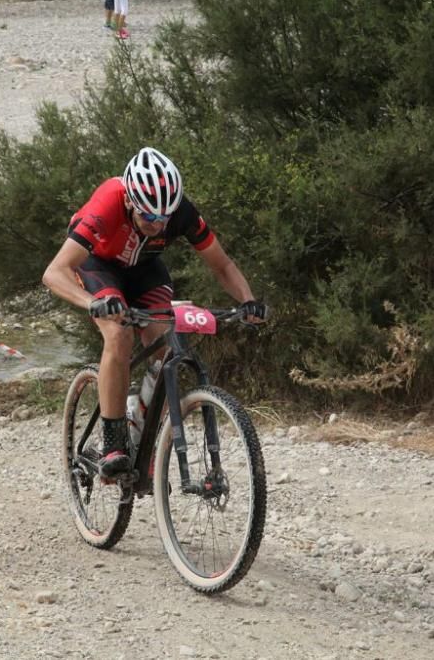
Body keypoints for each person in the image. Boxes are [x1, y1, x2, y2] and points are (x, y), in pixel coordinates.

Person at [42, 147, 267, 478]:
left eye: (164, 218)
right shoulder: (107, 203)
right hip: (99, 267)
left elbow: (222, 264)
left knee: (164, 348)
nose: (157, 224)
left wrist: (248, 300)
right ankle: (113, 444)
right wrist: (92, 302)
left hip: (145, 271)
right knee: (119, 335)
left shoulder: (179, 213)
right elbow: (54, 272)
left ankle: (143, 431)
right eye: (148, 217)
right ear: (131, 202)